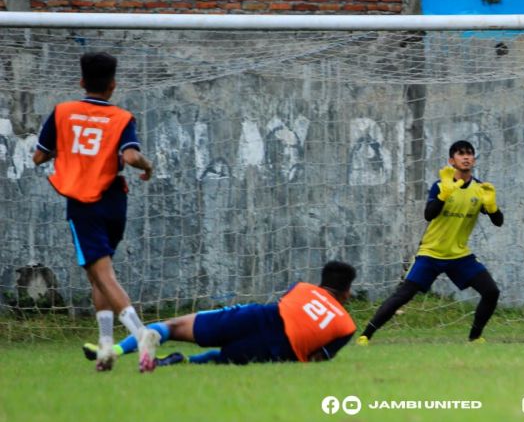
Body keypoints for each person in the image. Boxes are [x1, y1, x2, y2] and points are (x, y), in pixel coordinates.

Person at [33, 52, 160, 373]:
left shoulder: (63, 112)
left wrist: (71, 151)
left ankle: (142, 334)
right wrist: (147, 166)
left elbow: (38, 157)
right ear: (113, 85)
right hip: (115, 200)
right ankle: (105, 348)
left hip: (84, 203)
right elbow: (131, 157)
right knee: (97, 275)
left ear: (81, 82)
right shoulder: (121, 117)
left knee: (102, 275)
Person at [357, 140, 503, 344]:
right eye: (461, 154)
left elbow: (498, 222)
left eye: (470, 153)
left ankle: (475, 338)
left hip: (459, 255)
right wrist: (444, 195)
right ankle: (366, 335)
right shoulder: (441, 185)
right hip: (431, 253)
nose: (466, 157)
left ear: (474, 160)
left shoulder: (480, 189)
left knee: (491, 292)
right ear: (452, 160)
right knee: (404, 295)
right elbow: (429, 215)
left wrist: (493, 207)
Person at [83, 261, 358, 365]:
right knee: (223, 358)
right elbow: (317, 358)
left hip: (257, 318)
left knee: (175, 326)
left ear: (321, 282)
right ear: (346, 293)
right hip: (279, 351)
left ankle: (114, 351)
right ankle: (183, 363)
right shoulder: (347, 327)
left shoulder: (302, 287)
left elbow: (287, 309)